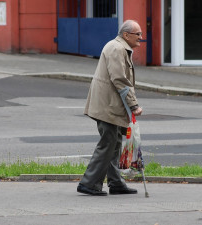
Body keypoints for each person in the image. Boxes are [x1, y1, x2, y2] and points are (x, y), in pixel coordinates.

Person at [77, 20, 143, 196]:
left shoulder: (120, 48)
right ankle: (89, 183)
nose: (141, 38)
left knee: (114, 143)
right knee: (108, 143)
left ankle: (115, 183)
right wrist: (134, 105)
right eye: (138, 34)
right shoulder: (116, 48)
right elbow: (120, 79)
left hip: (111, 105)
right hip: (107, 106)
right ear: (126, 34)